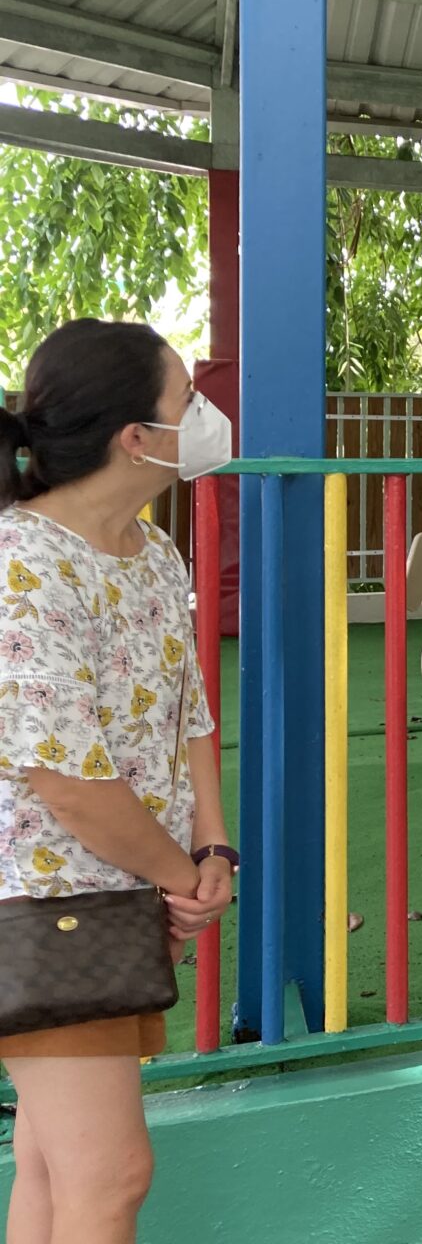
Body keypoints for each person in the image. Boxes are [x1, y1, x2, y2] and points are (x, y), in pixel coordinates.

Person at [0, 320, 237, 1244]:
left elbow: (192, 722)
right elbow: (69, 783)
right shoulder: (24, 563)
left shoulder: (152, 555)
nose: (207, 415)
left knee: (59, 1171)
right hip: (44, 906)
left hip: (121, 900)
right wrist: (183, 878)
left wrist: (211, 850)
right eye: (188, 398)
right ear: (135, 438)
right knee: (111, 1175)